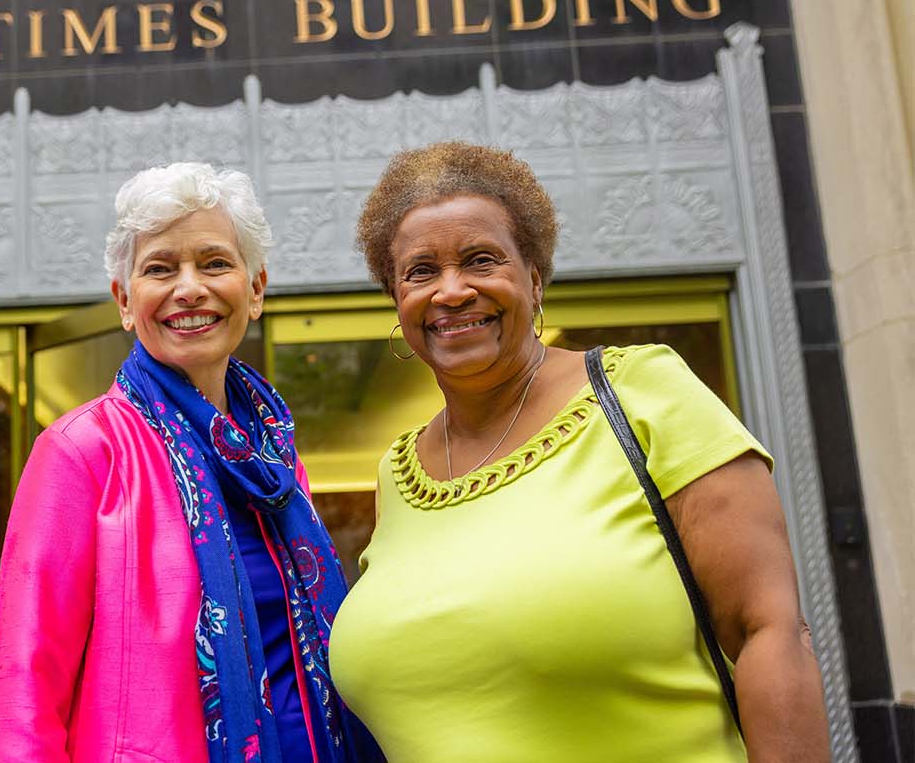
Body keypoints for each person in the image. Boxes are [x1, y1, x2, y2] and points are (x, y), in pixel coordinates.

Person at [329, 142, 830, 762]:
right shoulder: (396, 474)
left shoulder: (642, 393)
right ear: (396, 299)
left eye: (481, 261)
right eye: (421, 271)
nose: (452, 291)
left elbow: (770, 634)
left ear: (534, 280)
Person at [0, 163, 371, 763]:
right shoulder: (82, 450)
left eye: (214, 263)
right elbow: (24, 686)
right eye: (160, 268)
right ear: (125, 301)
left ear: (256, 288)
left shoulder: (272, 456)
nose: (189, 288)